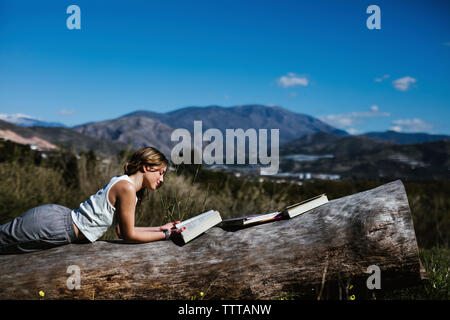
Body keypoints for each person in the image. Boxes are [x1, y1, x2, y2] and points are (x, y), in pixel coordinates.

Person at [0, 146, 183, 254]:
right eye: (160, 173)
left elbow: (123, 229)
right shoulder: (126, 188)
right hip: (54, 226)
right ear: (146, 167)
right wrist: (167, 235)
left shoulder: (128, 189)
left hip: (58, 220)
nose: (162, 179)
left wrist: (160, 228)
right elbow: (128, 236)